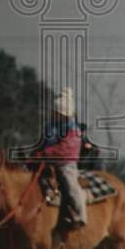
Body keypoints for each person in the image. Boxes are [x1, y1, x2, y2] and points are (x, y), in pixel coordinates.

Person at [44, 87, 88, 229]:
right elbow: (44, 143)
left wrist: (46, 152)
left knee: (71, 186)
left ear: (64, 114)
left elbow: (64, 149)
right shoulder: (50, 127)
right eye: (54, 112)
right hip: (48, 162)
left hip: (65, 163)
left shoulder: (73, 130)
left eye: (57, 113)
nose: (54, 115)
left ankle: (80, 214)